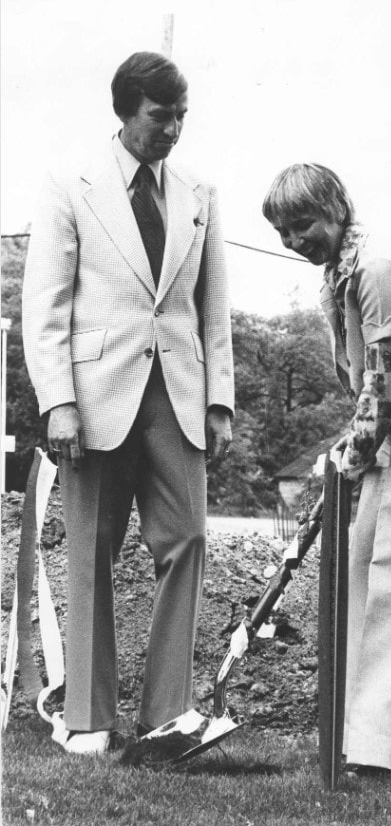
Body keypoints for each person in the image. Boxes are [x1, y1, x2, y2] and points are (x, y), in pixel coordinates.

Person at [22, 51, 234, 754]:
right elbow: (44, 305)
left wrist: (220, 401)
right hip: (92, 396)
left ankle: (167, 713)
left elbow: (214, 308)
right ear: (126, 111)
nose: (172, 129)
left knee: (189, 538)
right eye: (159, 115)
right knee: (91, 551)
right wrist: (58, 401)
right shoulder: (67, 184)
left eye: (181, 116)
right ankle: (88, 716)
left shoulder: (201, 190)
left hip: (178, 395)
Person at [262, 163, 391, 774]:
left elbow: (389, 377)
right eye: (283, 232)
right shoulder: (342, 273)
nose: (293, 241)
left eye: (301, 224)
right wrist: (351, 448)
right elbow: (369, 385)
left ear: (337, 207)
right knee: (365, 575)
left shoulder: (379, 268)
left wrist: (353, 454)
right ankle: (363, 736)